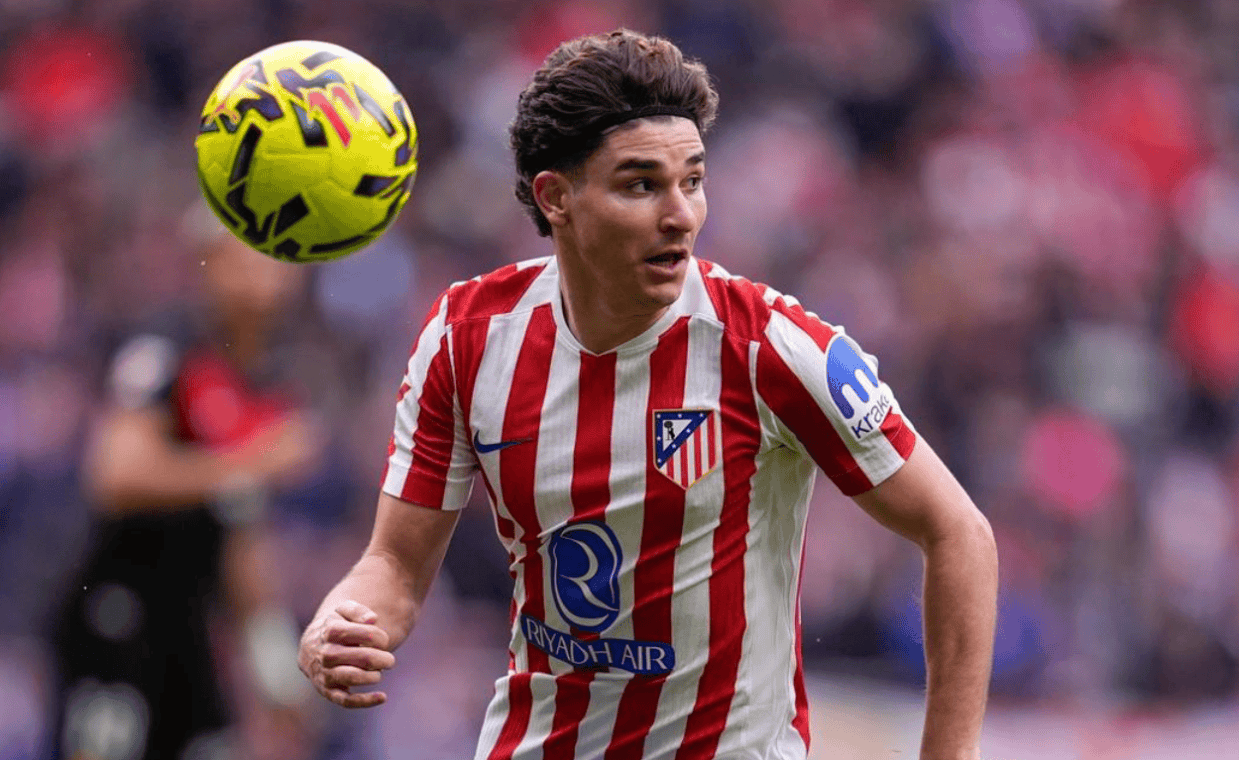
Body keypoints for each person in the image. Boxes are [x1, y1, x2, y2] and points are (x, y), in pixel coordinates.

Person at [298, 28, 998, 760]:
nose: (681, 215)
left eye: (692, 181)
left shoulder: (767, 346)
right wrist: (340, 623)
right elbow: (394, 567)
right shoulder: (466, 336)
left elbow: (958, 533)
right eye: (641, 185)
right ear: (556, 197)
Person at [48, 210, 320, 760]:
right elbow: (115, 474)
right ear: (208, 263)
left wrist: (275, 671)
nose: (263, 271)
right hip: (120, 613)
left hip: (191, 627)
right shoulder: (167, 348)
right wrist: (253, 461)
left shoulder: (273, 379)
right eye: (245, 253)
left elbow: (242, 539)